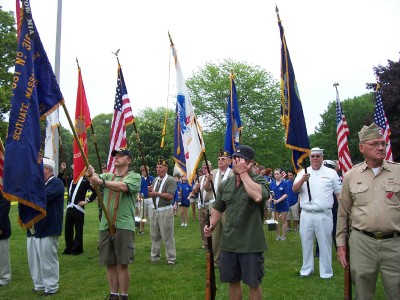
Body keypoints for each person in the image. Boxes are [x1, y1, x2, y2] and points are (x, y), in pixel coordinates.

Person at [336, 123, 400, 299]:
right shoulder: (351, 176)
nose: (380, 147)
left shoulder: (398, 171)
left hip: (395, 244)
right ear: (361, 147)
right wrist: (341, 244)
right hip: (362, 243)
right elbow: (343, 213)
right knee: (362, 293)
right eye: (374, 144)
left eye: (382, 143)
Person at [204, 145, 269, 299]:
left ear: (250, 163)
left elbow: (258, 197)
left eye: (240, 160)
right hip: (229, 242)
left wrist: (244, 174)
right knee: (232, 281)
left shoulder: (259, 180)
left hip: (251, 243)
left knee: (253, 283)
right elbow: (218, 208)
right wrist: (211, 225)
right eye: (234, 159)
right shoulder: (225, 184)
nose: (235, 162)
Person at [86, 148, 141, 300]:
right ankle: (113, 295)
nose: (116, 158)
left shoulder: (134, 177)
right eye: (115, 156)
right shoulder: (108, 175)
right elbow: (94, 179)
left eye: (120, 156)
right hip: (105, 226)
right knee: (109, 263)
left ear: (128, 160)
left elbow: (123, 187)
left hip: (123, 226)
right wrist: (90, 173)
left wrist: (101, 182)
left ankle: (123, 295)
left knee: (122, 263)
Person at [293, 147, 341, 279]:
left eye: (318, 156)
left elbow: (339, 194)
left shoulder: (331, 173)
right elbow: (294, 189)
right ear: (309, 158)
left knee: (325, 242)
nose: (315, 159)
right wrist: (302, 180)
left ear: (322, 157)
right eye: (313, 156)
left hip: (323, 214)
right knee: (306, 242)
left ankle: (326, 272)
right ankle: (306, 270)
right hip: (306, 214)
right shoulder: (303, 172)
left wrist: (343, 211)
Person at [28, 158, 64, 296]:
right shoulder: (41, 184)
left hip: (49, 226)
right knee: (35, 259)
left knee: (48, 259)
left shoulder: (56, 183)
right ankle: (39, 284)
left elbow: (42, 198)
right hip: (37, 226)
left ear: (47, 169)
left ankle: (51, 286)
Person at [203, 150, 234, 267]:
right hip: (213, 206)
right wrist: (207, 180)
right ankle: (215, 260)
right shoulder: (213, 173)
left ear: (229, 161)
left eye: (223, 159)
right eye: (219, 159)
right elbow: (206, 189)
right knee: (214, 234)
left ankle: (230, 257)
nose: (220, 161)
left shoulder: (232, 174)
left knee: (228, 232)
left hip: (227, 208)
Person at [148, 158, 177, 265]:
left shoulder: (170, 180)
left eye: (160, 167)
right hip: (155, 210)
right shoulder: (155, 180)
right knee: (154, 234)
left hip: (165, 210)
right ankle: (155, 256)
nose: (158, 169)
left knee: (167, 235)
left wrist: (155, 193)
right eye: (157, 167)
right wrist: (151, 191)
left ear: (166, 168)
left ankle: (171, 258)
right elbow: (153, 194)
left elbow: (170, 196)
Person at [62, 175, 97, 255]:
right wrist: (61, 171)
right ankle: (68, 248)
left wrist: (87, 201)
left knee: (78, 229)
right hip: (69, 207)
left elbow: (95, 191)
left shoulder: (85, 181)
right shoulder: (71, 179)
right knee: (68, 229)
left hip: (79, 208)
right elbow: (62, 180)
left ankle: (77, 249)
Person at [193, 160, 214, 249]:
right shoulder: (200, 178)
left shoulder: (213, 177)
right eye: (204, 167)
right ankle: (205, 243)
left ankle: (213, 242)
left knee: (211, 225)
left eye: (207, 167)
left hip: (210, 203)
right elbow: (194, 192)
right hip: (201, 204)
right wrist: (195, 188)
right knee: (202, 224)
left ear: (211, 168)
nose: (205, 169)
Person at [269, 168, 290, 240]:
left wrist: (278, 200)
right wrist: (270, 199)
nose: (276, 175)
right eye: (275, 174)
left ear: (281, 174)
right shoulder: (272, 183)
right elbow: (271, 193)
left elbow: (286, 194)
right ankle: (278, 236)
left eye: (278, 174)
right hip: (274, 205)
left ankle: (284, 236)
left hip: (283, 204)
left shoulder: (285, 183)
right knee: (275, 221)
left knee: (284, 220)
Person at [138, 165, 154, 235]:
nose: (145, 172)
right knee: (142, 215)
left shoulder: (151, 178)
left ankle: (153, 230)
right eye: (144, 171)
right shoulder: (139, 179)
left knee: (151, 215)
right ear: (142, 171)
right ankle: (141, 230)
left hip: (150, 199)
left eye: (147, 170)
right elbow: (138, 190)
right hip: (142, 199)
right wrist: (138, 198)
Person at [0, 192, 11, 286]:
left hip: (1, 227)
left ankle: (4, 277)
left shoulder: (2, 186)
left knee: (2, 254)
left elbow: (5, 205)